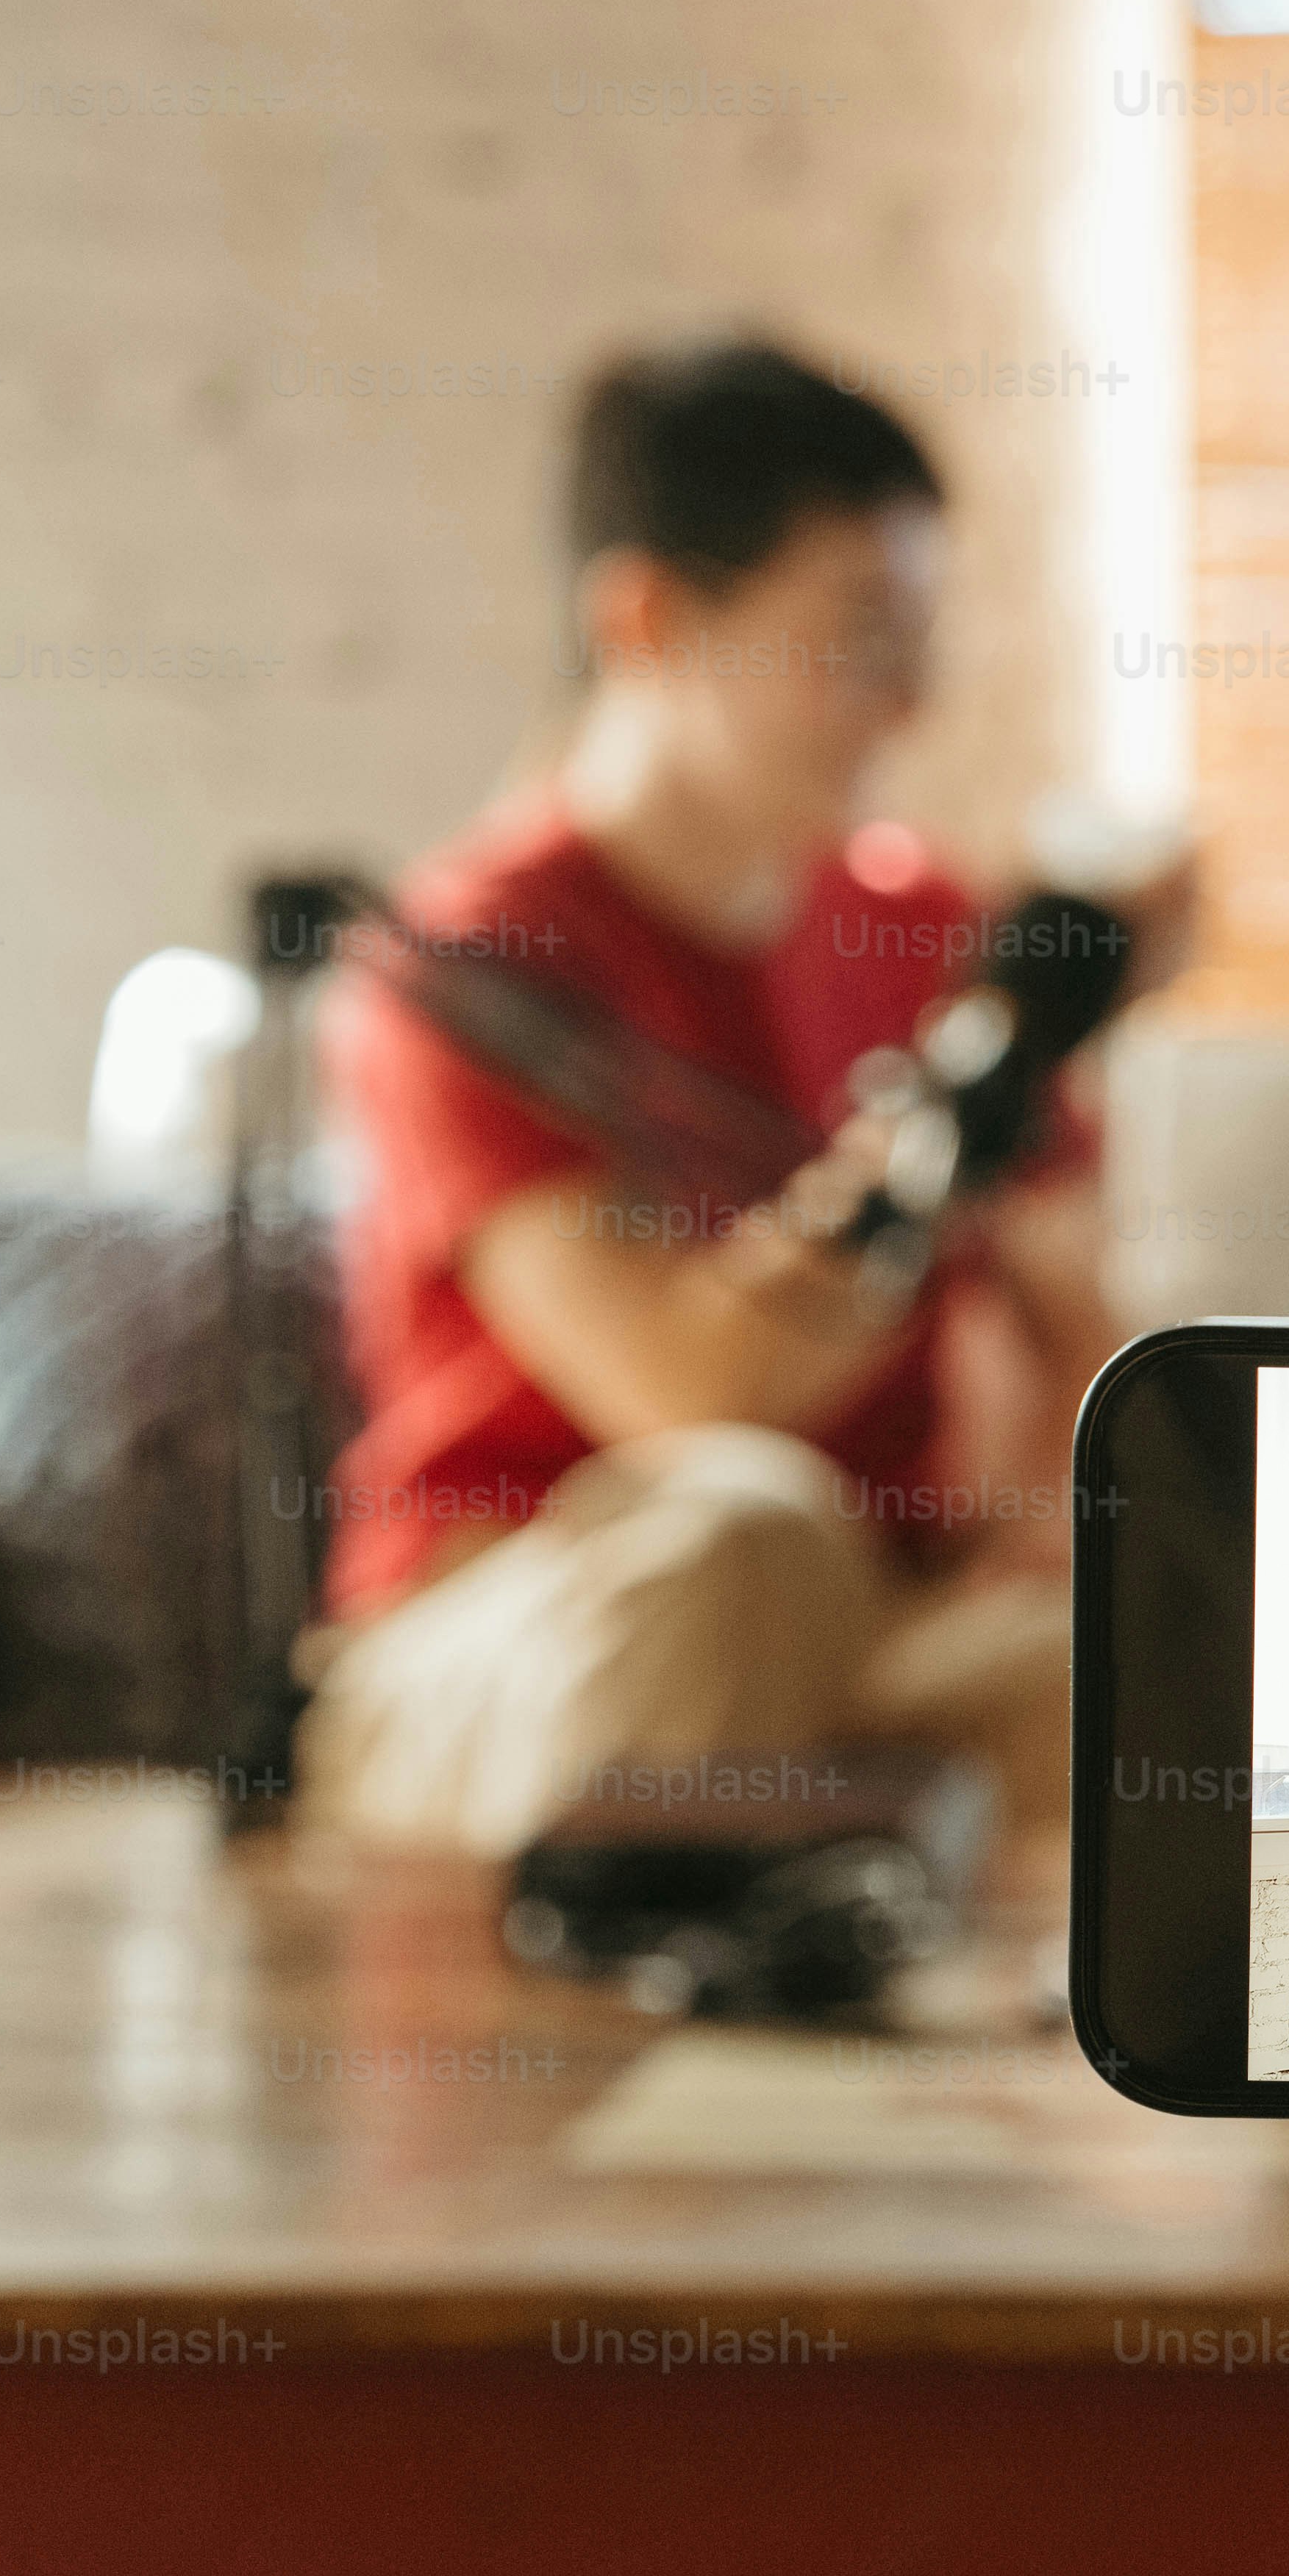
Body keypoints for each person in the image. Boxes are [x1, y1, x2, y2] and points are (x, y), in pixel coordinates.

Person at [295, 335, 1151, 1856]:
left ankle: (815, 1908)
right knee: (750, 1532)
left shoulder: (922, 926)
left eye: (922, 636)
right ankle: (780, 1890)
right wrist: (960, 1105)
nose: (912, 697)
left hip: (865, 1639)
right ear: (647, 619)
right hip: (533, 1623)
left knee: (1172, 1677)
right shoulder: (467, 967)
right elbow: (690, 1398)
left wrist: (1059, 1523)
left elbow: (1084, 1330)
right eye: (859, 635)